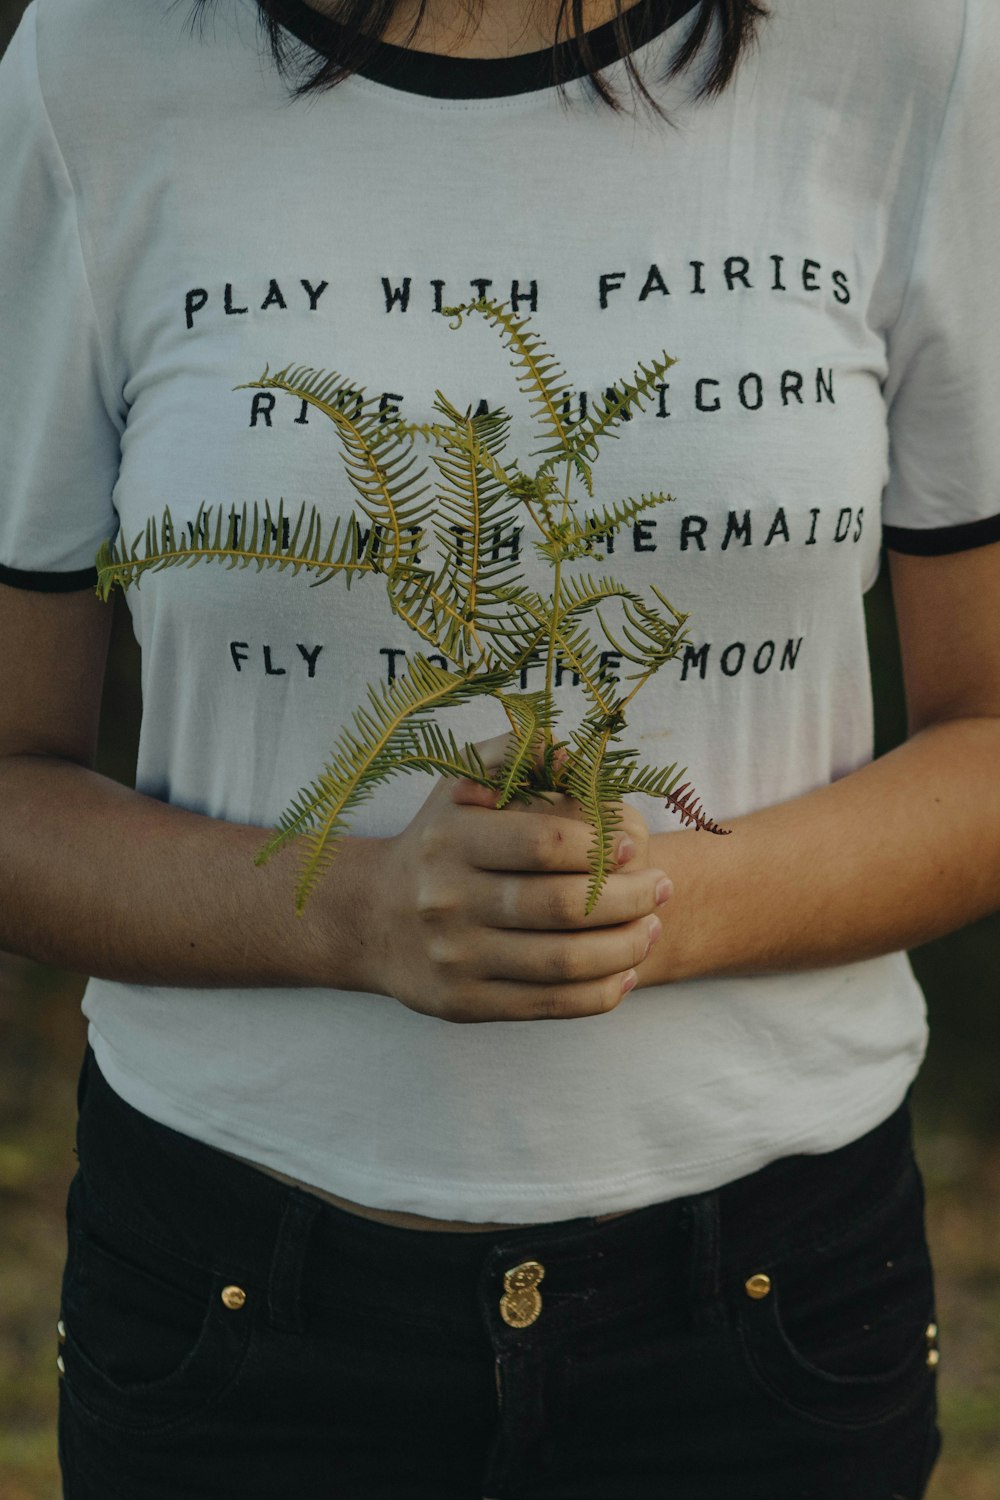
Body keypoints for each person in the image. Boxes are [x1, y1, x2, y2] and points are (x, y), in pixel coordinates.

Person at [1, 0, 998, 1494]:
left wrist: (645, 904)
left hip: (766, 1310)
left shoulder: (919, 47)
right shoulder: (98, 67)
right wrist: (352, 910)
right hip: (237, 1311)